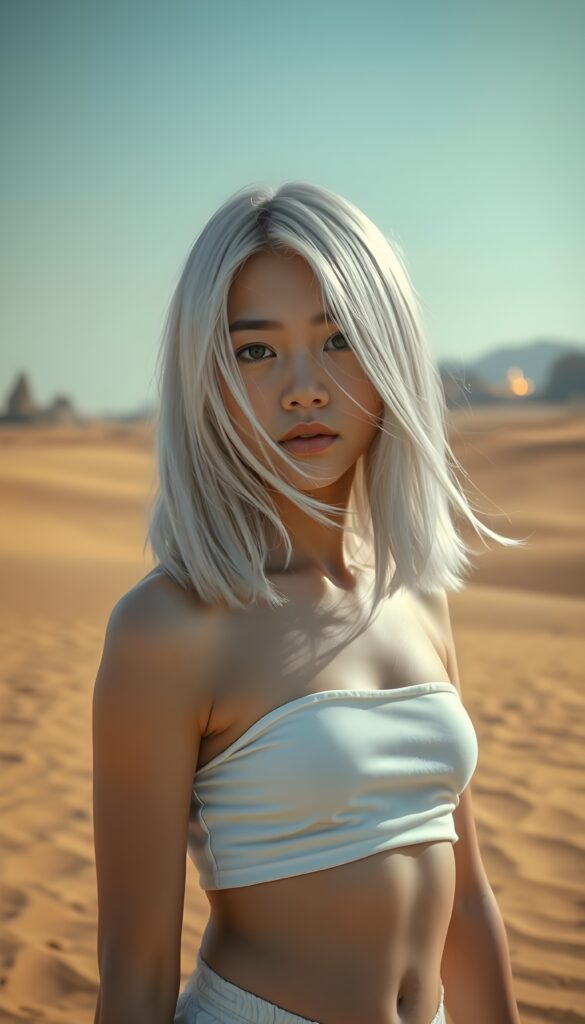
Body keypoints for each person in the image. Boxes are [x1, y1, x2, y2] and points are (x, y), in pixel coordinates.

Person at [92, 182, 524, 1024]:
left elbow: (466, 905)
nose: (303, 388)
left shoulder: (415, 593)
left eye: (338, 340)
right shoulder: (169, 628)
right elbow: (135, 969)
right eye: (256, 351)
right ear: (206, 377)